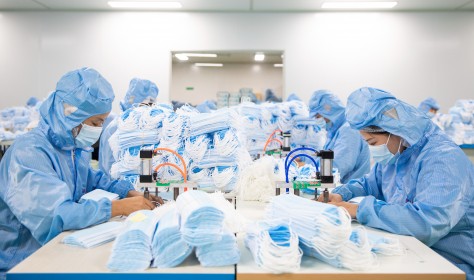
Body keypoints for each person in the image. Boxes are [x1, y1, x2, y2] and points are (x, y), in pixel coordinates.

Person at [0, 68, 163, 279]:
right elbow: (55, 214)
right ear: (70, 113)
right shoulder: (29, 153)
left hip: (51, 253)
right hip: (22, 261)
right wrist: (117, 207)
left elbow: (91, 178)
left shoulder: (71, 147)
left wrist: (128, 192)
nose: (99, 129)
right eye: (96, 123)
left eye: (103, 122)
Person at [322, 87, 473, 279]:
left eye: (373, 142)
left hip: (452, 263)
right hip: (415, 250)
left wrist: (356, 210)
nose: (372, 150)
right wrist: (342, 194)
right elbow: (370, 183)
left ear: (396, 131)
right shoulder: (397, 155)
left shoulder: (444, 160)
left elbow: (425, 223)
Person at [99, 78, 159, 176]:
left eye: (153, 102)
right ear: (133, 100)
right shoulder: (115, 128)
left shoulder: (144, 128)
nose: (150, 107)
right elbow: (110, 169)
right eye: (149, 101)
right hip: (115, 188)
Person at [308, 90, 370, 183]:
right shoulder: (335, 131)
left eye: (318, 116)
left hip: (350, 191)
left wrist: (310, 173)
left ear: (328, 112)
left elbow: (338, 166)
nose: (317, 120)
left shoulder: (349, 130)